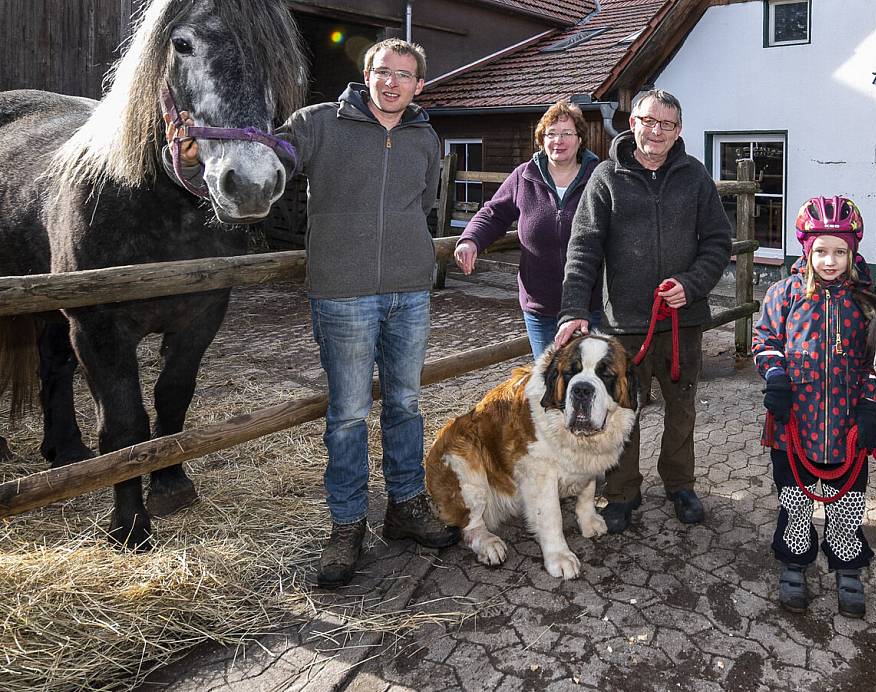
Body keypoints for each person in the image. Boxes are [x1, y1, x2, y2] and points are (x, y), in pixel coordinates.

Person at [165, 38, 460, 590]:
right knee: (347, 415)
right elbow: (259, 160)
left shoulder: (424, 136)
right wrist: (195, 155)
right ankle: (347, 525)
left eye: (403, 74)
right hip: (343, 295)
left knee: (406, 403)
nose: (390, 82)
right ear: (366, 75)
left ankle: (405, 506)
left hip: (410, 294)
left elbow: (419, 207)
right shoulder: (318, 124)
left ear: (419, 84)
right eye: (381, 71)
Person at [553, 89, 732, 533]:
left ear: (679, 131)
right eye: (648, 121)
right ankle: (623, 493)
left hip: (682, 322)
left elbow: (717, 242)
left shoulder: (695, 177)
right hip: (622, 324)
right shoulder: (606, 178)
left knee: (682, 407)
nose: (656, 131)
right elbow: (583, 249)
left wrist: (690, 286)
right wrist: (573, 308)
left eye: (666, 124)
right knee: (620, 411)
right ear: (632, 123)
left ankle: (680, 484)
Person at [751, 196, 876, 618]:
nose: (830, 261)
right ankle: (794, 562)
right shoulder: (784, 294)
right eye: (821, 251)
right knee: (795, 499)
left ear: (853, 252)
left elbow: (875, 362)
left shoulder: (867, 301)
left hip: (847, 426)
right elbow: (766, 341)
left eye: (840, 252)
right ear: (806, 250)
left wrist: (870, 405)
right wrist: (775, 377)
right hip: (794, 422)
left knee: (847, 504)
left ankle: (847, 566)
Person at [453, 100, 602, 359]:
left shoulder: (599, 177)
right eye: (551, 133)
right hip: (540, 306)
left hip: (591, 305)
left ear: (580, 139)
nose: (559, 140)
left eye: (567, 133)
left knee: (590, 382)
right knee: (549, 384)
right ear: (541, 139)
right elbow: (493, 213)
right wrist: (471, 239)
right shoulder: (524, 176)